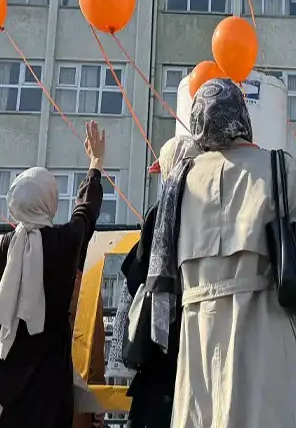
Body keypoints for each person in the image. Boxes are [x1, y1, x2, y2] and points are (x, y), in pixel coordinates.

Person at [165, 78, 296, 428]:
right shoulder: (278, 168)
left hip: (199, 339)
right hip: (265, 333)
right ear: (242, 116)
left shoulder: (180, 181)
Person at [0, 121, 107, 428]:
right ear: (49, 201)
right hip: (49, 380)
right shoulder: (64, 243)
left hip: (1, 382)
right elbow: (85, 212)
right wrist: (95, 164)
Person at [114, 135, 201, 428]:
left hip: (161, 342)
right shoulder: (213, 210)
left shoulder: (160, 213)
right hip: (204, 334)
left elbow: (136, 276)